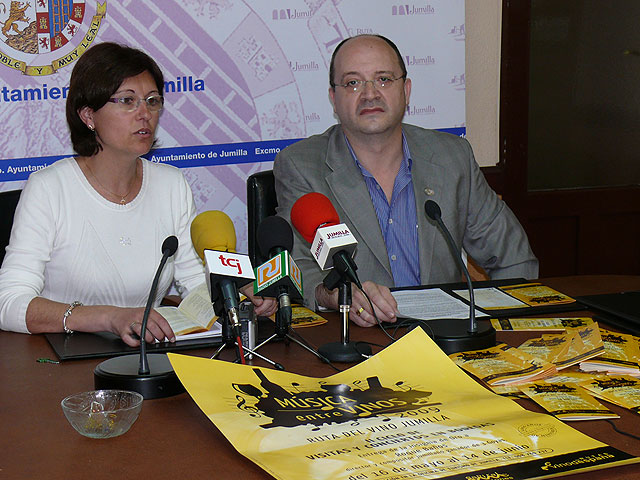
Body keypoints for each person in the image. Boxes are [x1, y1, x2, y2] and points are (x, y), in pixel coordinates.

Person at [0, 42, 275, 345]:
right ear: (88, 116)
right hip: (63, 362)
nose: (144, 114)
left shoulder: (171, 185)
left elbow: (194, 283)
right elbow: (9, 303)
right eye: (128, 101)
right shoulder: (49, 188)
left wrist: (234, 292)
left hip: (148, 356)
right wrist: (108, 317)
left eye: (152, 101)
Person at [273, 34, 538, 327]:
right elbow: (296, 266)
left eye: (384, 79)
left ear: (406, 90)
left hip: (446, 338)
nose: (370, 93)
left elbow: (513, 258)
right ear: (334, 99)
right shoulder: (301, 166)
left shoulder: (452, 158)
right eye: (352, 82)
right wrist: (336, 297)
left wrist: (506, 329)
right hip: (361, 343)